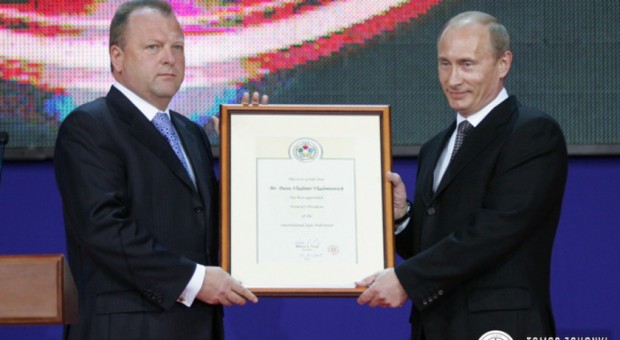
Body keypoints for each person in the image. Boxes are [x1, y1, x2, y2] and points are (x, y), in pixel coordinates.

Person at [54, 1, 266, 339]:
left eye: (177, 47)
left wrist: (247, 155)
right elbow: (103, 229)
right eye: (153, 46)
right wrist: (194, 280)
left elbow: (209, 229)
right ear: (117, 57)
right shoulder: (89, 126)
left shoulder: (191, 133)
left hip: (198, 327)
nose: (169, 57)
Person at [357, 11, 568, 340]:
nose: (453, 79)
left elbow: (497, 229)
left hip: (499, 327)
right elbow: (436, 242)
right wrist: (403, 219)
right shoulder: (435, 147)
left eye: (467, 64)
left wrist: (408, 279)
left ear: (503, 64)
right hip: (435, 327)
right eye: (445, 63)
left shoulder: (532, 133)